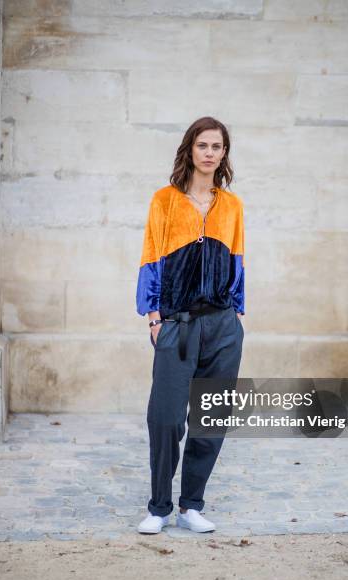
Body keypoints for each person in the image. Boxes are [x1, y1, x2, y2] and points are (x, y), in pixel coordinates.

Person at [136, 116, 245, 534]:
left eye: (217, 147)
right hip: (176, 325)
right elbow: (150, 256)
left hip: (222, 326)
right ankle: (159, 507)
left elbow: (238, 260)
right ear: (190, 150)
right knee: (165, 418)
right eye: (203, 145)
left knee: (210, 418)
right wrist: (153, 317)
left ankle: (191, 505)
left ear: (223, 154)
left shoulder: (232, 206)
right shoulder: (164, 200)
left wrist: (236, 314)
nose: (210, 153)